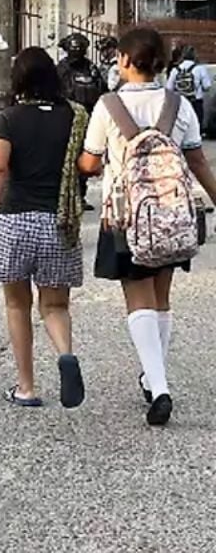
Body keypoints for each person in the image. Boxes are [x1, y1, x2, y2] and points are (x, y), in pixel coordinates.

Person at [79, 28, 216, 426]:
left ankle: (159, 389)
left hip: (126, 216)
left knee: (137, 299)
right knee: (161, 298)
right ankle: (152, 377)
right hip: (172, 215)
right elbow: (197, 160)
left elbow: (90, 162)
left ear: (123, 60)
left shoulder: (108, 105)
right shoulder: (177, 104)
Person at [0, 47, 87, 409]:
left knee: (17, 305)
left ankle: (26, 388)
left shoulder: (8, 118)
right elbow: (88, 163)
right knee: (55, 306)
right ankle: (66, 355)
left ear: (18, 79)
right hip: (58, 222)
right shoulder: (74, 117)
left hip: (15, 221)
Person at [57, 33, 106, 210]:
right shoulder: (61, 69)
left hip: (88, 118)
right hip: (66, 117)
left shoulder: (91, 68)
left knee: (84, 158)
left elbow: (102, 90)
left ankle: (80, 195)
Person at [165, 45, 212, 125]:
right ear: (195, 55)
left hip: (180, 102)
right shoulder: (200, 68)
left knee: (181, 125)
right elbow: (207, 86)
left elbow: (169, 88)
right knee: (196, 125)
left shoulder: (175, 70)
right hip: (196, 102)